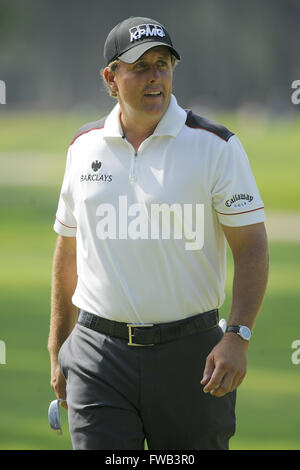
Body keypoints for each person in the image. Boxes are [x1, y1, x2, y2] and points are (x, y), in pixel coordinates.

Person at [48, 16, 269, 450]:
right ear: (111, 78)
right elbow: (68, 251)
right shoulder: (83, 147)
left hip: (193, 356)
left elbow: (251, 247)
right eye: (140, 66)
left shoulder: (216, 146)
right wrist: (58, 348)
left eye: (163, 64)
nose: (155, 78)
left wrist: (238, 335)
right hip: (98, 356)